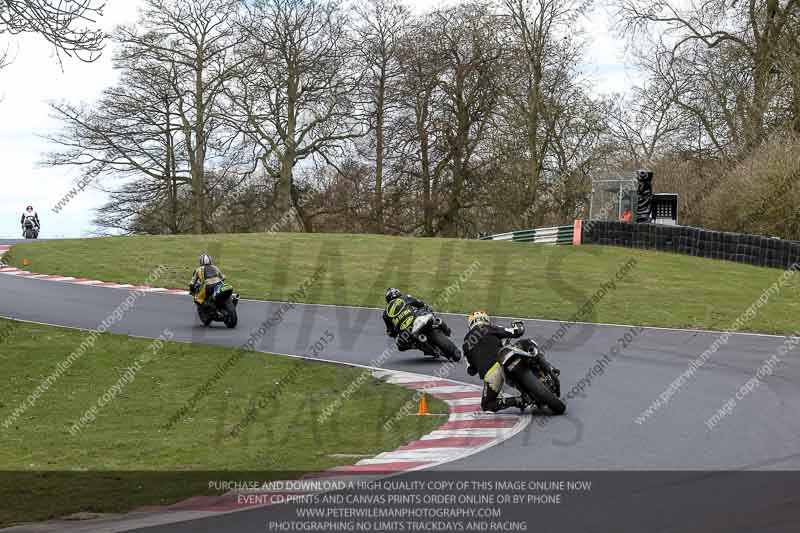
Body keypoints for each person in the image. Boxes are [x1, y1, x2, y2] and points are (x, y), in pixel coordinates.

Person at [462, 311, 530, 412]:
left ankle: (518, 400)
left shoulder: (465, 346)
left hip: (491, 375)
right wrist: (518, 325)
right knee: (526, 343)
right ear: (486, 320)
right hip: (504, 359)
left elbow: (471, 371)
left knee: (487, 405)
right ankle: (548, 369)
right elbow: (516, 332)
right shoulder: (489, 327)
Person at [382, 288, 450, 352]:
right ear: (398, 293)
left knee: (400, 345)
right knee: (429, 310)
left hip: (407, 332)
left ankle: (417, 345)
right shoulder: (405, 297)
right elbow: (421, 304)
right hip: (417, 320)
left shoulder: (385, 313)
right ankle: (443, 327)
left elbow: (390, 332)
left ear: (387, 299)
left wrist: (395, 332)